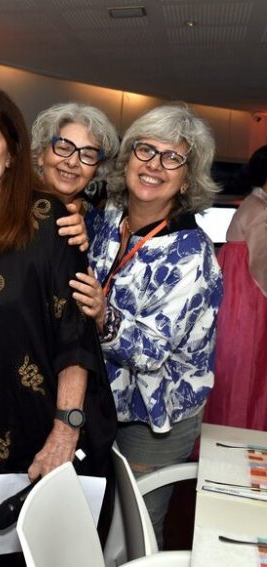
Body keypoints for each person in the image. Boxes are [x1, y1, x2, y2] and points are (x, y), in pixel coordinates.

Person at [0, 86, 117, 565]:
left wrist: (65, 431)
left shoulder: (53, 221)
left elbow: (76, 336)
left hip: (44, 437)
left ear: (13, 152)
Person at [70, 104, 223, 548]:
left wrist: (103, 315)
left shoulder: (193, 257)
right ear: (128, 157)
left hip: (153, 421)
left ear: (188, 179)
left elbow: (153, 352)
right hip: (102, 401)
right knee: (94, 522)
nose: (154, 165)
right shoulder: (112, 217)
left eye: (172, 158)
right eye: (145, 150)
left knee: (132, 536)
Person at [205, 145, 267, 430]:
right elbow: (262, 267)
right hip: (250, 305)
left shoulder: (251, 205)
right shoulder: (261, 211)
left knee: (234, 370)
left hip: (238, 303)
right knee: (248, 372)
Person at [30, 102, 118, 208]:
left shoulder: (94, 220)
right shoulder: (12, 203)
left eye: (87, 156)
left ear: (96, 168)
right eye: (63, 148)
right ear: (41, 154)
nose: (72, 162)